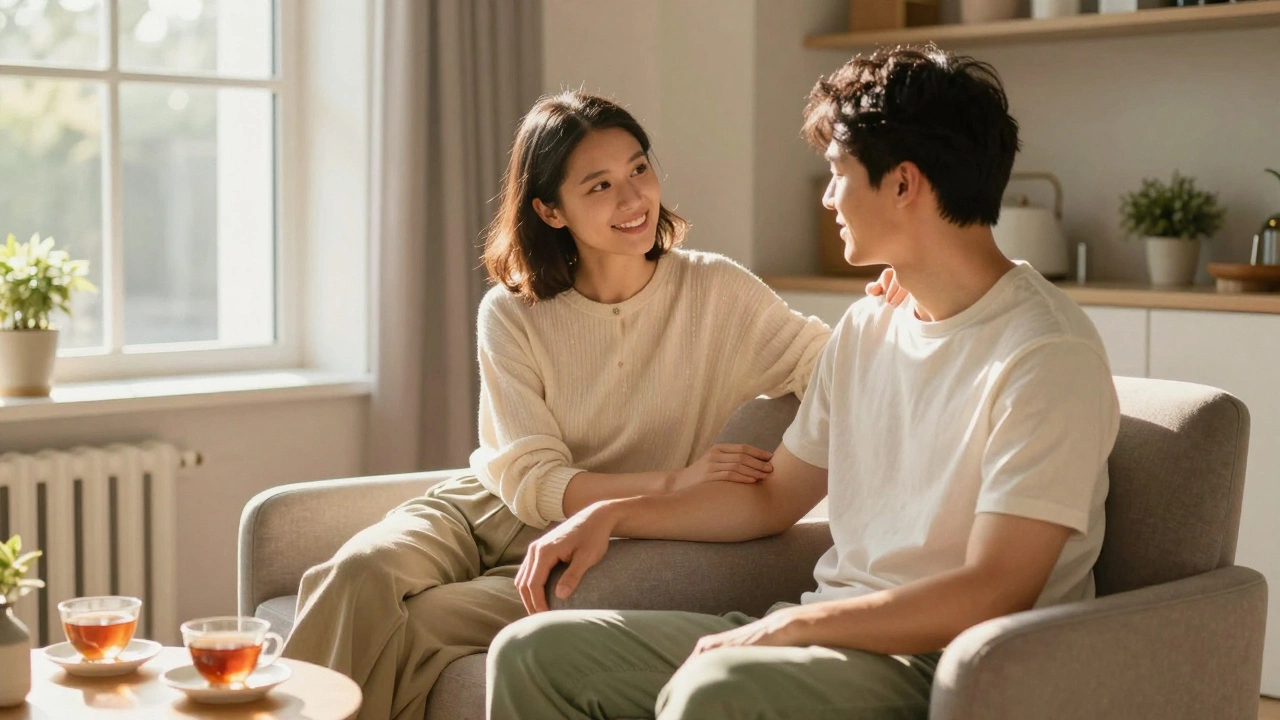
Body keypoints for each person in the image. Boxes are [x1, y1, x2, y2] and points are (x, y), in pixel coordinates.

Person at [487, 46, 1121, 720]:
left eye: (837, 174)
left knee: (716, 691)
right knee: (530, 653)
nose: (827, 198)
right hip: (831, 638)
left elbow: (994, 590)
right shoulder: (868, 328)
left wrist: (791, 628)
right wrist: (609, 513)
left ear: (903, 184)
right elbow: (770, 500)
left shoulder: (1045, 353)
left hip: (950, 664)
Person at [281, 90, 903, 720]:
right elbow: (531, 479)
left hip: (593, 544)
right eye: (599, 186)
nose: (633, 199)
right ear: (551, 210)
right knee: (357, 572)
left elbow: (831, 364)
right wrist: (676, 481)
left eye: (638, 169)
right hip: (481, 511)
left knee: (423, 623)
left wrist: (891, 304)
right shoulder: (511, 312)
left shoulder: (717, 291)